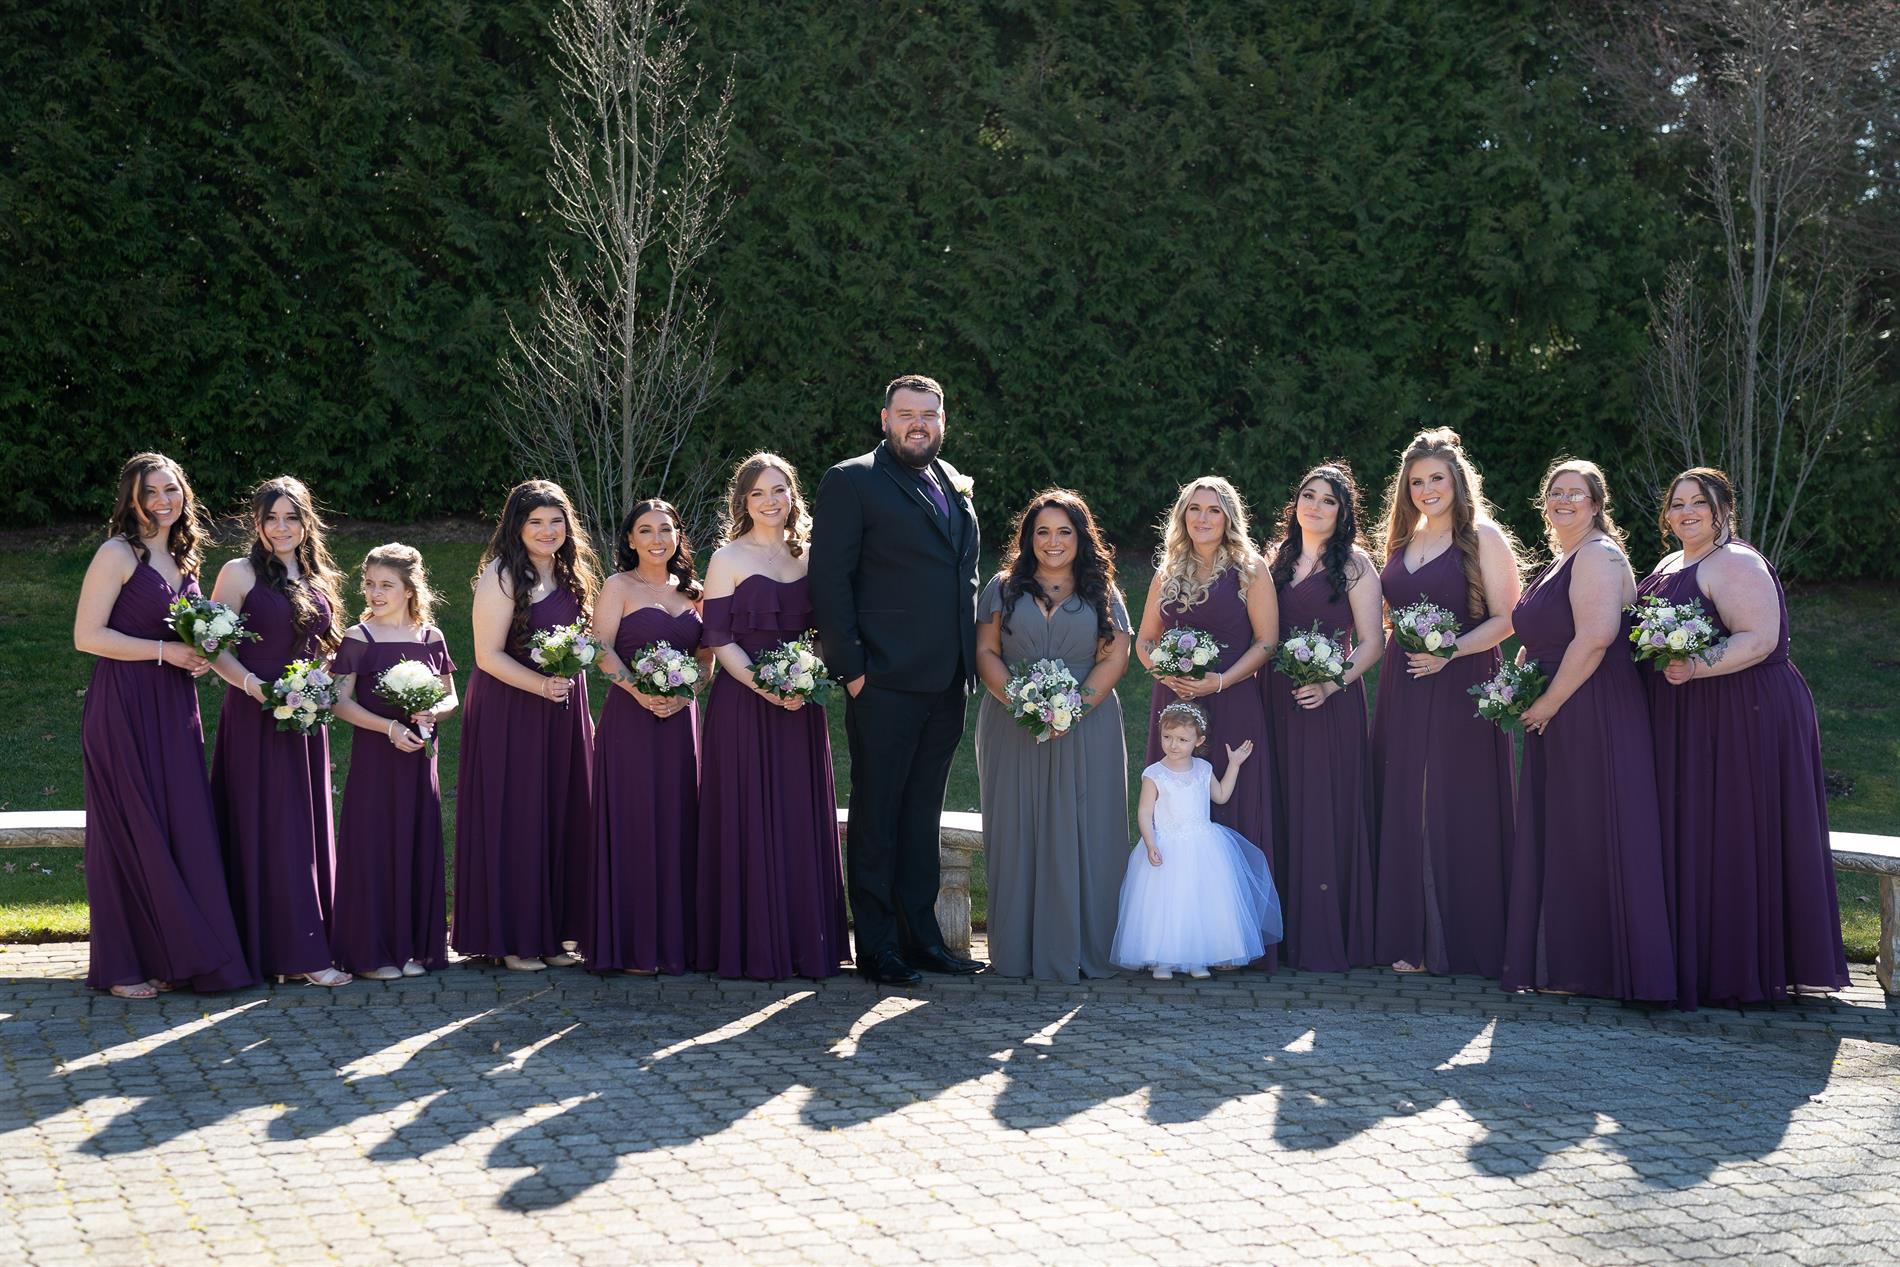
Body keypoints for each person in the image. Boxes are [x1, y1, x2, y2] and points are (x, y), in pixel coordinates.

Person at [1640, 467, 1848, 1007]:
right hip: (1691, 714)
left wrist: (1695, 665)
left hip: (1742, 714)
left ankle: (1740, 967)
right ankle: (1697, 959)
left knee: (1734, 828)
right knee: (1698, 829)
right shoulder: (1668, 565)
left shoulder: (1736, 562)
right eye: (1677, 504)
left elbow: (1760, 639)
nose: (1686, 512)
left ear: (1723, 511)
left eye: (1699, 503)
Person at [809, 374, 985, 986]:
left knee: (921, 814)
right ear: (885, 419)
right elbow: (830, 581)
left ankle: (922, 939)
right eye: (907, 413)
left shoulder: (950, 481)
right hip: (882, 680)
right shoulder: (852, 480)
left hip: (947, 680)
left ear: (943, 421)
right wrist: (853, 671)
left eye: (929, 414)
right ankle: (879, 947)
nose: (918, 423)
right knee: (878, 815)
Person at [73, 452, 253, 998]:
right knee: (131, 829)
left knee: (179, 827)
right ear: (131, 499)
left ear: (184, 494)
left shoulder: (184, 558)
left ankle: (171, 958)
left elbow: (192, 634)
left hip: (174, 707)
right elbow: (87, 636)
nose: (162, 501)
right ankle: (122, 965)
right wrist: (164, 652)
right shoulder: (117, 553)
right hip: (124, 706)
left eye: (170, 489)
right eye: (149, 491)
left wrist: (199, 653)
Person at [1501, 458, 1674, 1001]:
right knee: (1567, 827)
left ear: (1597, 504)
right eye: (1555, 492)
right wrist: (1518, 682)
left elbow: (1596, 636)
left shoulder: (1598, 554)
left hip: (1591, 704)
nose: (1563, 500)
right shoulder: (1562, 558)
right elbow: (1544, 634)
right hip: (1561, 702)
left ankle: (1593, 968)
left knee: (1588, 826)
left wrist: (1548, 702)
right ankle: (1565, 961)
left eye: (1575, 493)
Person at [1369, 430, 1522, 977]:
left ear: (1457, 481)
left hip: (1464, 681)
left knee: (1456, 799)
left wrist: (1449, 652)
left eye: (1437, 478)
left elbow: (1509, 618)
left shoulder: (1482, 538)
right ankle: (1408, 934)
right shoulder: (1401, 540)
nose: (1427, 490)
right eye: (1416, 482)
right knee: (1404, 796)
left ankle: (1460, 938)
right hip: (1404, 682)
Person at [698, 455, 851, 980]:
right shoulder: (726, 558)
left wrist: (805, 681)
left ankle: (806, 945)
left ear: (792, 496)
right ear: (743, 501)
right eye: (759, 492)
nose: (770, 501)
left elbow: (824, 632)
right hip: (743, 704)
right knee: (746, 814)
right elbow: (718, 638)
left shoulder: (810, 556)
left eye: (779, 490)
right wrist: (766, 686)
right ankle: (749, 946)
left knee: (796, 816)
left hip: (800, 707)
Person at [973, 489, 1133, 982]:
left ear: (1081, 537)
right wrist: (1024, 704)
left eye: (1064, 531)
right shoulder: (1002, 588)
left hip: (1087, 723)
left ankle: (1085, 948)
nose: (1053, 541)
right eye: (1042, 531)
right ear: (1028, 537)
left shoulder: (1103, 591)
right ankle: (1017, 951)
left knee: (1088, 828)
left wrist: (1071, 709)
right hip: (1012, 724)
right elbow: (986, 652)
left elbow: (1116, 656)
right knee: (1015, 827)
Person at [208, 475, 350, 987]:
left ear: (307, 522)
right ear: (257, 522)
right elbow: (213, 646)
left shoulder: (318, 577)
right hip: (254, 715)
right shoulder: (238, 573)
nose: (282, 527)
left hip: (305, 718)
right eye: (272, 517)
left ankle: (305, 943)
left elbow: (327, 648)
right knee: (268, 827)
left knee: (303, 828)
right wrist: (255, 687)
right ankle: (291, 954)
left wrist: (321, 684)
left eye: (292, 517)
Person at [452, 480, 599, 972]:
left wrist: (580, 710)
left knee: (561, 814)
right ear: (516, 526)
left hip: (561, 710)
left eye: (556, 521)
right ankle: (514, 939)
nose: (547, 530)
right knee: (518, 817)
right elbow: (486, 655)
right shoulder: (501, 575)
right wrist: (540, 686)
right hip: (510, 710)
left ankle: (553, 935)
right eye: (535, 521)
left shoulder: (571, 573)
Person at [1133, 476, 1279, 966]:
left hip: (1231, 699)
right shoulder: (1168, 569)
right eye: (1194, 508)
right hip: (1176, 704)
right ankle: (1174, 937)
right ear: (1183, 516)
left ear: (1229, 517)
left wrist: (1219, 681)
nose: (1202, 518)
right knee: (1176, 810)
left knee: (1229, 806)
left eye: (1213, 510)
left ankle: (1227, 941)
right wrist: (1164, 672)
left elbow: (1267, 641)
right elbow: (1145, 640)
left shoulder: (1250, 570)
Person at [580, 498, 708, 976]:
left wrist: (685, 693)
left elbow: (708, 659)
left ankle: (677, 943)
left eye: (666, 529)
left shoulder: (695, 592)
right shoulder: (618, 586)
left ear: (678, 537)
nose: (658, 539)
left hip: (680, 723)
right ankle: (632, 945)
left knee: (679, 821)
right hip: (630, 722)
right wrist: (640, 691)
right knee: (633, 821)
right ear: (630, 539)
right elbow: (600, 648)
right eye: (646, 530)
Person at [1263, 464, 1381, 972]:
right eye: (1308, 495)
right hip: (1274, 698)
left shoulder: (1355, 565)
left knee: (1324, 806)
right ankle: (1282, 933)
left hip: (1330, 702)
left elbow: (1372, 642)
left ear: (1343, 512)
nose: (1315, 506)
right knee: (1281, 802)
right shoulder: (1275, 559)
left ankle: (1325, 933)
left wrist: (1330, 684)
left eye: (1328, 500)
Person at [327, 544, 458, 979]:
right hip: (376, 761)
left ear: (409, 590)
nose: (375, 594)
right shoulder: (358, 637)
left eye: (386, 585)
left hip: (420, 760)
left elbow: (451, 697)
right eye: (369, 584)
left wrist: (434, 711)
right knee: (375, 846)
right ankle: (372, 954)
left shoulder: (431, 637)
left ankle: (411, 949)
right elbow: (338, 701)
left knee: (415, 844)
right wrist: (388, 728)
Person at [1110, 702, 1283, 980]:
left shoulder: (1203, 768)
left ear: (1198, 741)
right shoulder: (1154, 773)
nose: (1173, 745)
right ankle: (1162, 960)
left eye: (1182, 739)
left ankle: (1198, 957)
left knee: (1200, 901)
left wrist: (1234, 765)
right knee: (1166, 904)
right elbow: (1144, 811)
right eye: (1167, 737)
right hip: (1166, 846)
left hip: (1203, 845)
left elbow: (1221, 795)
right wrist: (1151, 843)